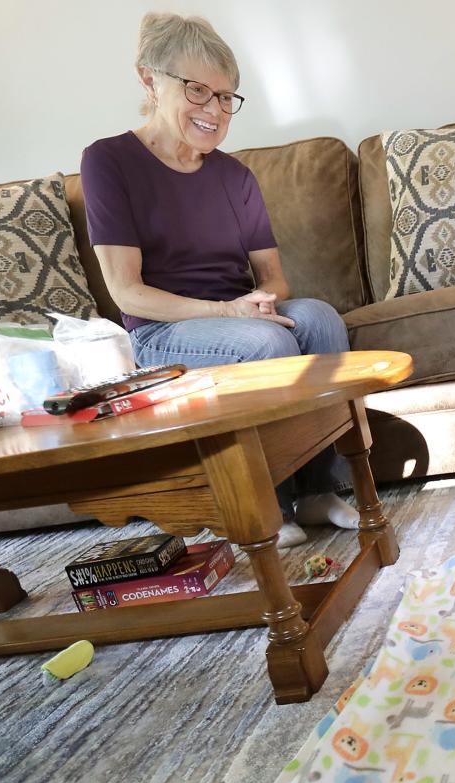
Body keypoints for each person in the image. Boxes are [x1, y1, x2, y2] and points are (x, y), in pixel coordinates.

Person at [80, 13, 357, 548]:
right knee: (270, 341)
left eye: (227, 97)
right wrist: (230, 314)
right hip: (162, 332)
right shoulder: (109, 162)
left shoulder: (236, 176)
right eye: (198, 91)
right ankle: (265, 506)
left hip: (238, 318)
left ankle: (319, 489)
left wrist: (255, 303)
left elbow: (273, 279)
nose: (215, 111)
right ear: (149, 80)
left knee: (319, 318)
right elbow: (127, 292)